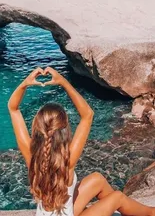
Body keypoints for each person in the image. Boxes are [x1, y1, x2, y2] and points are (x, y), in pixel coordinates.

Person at [8, 67, 155, 216]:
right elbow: (87, 114)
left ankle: (121, 211)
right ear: (65, 129)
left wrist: (25, 83)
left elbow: (13, 109)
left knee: (97, 179)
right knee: (118, 197)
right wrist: (63, 82)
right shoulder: (68, 159)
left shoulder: (32, 156)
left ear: (36, 127)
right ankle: (150, 213)